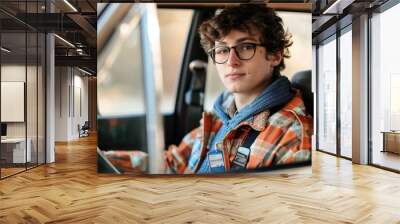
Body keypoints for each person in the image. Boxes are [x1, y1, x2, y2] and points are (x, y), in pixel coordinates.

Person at [164, 4, 313, 174]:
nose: (231, 61)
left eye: (246, 47)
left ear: (275, 55)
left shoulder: (294, 136)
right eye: (222, 50)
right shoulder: (220, 116)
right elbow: (174, 163)